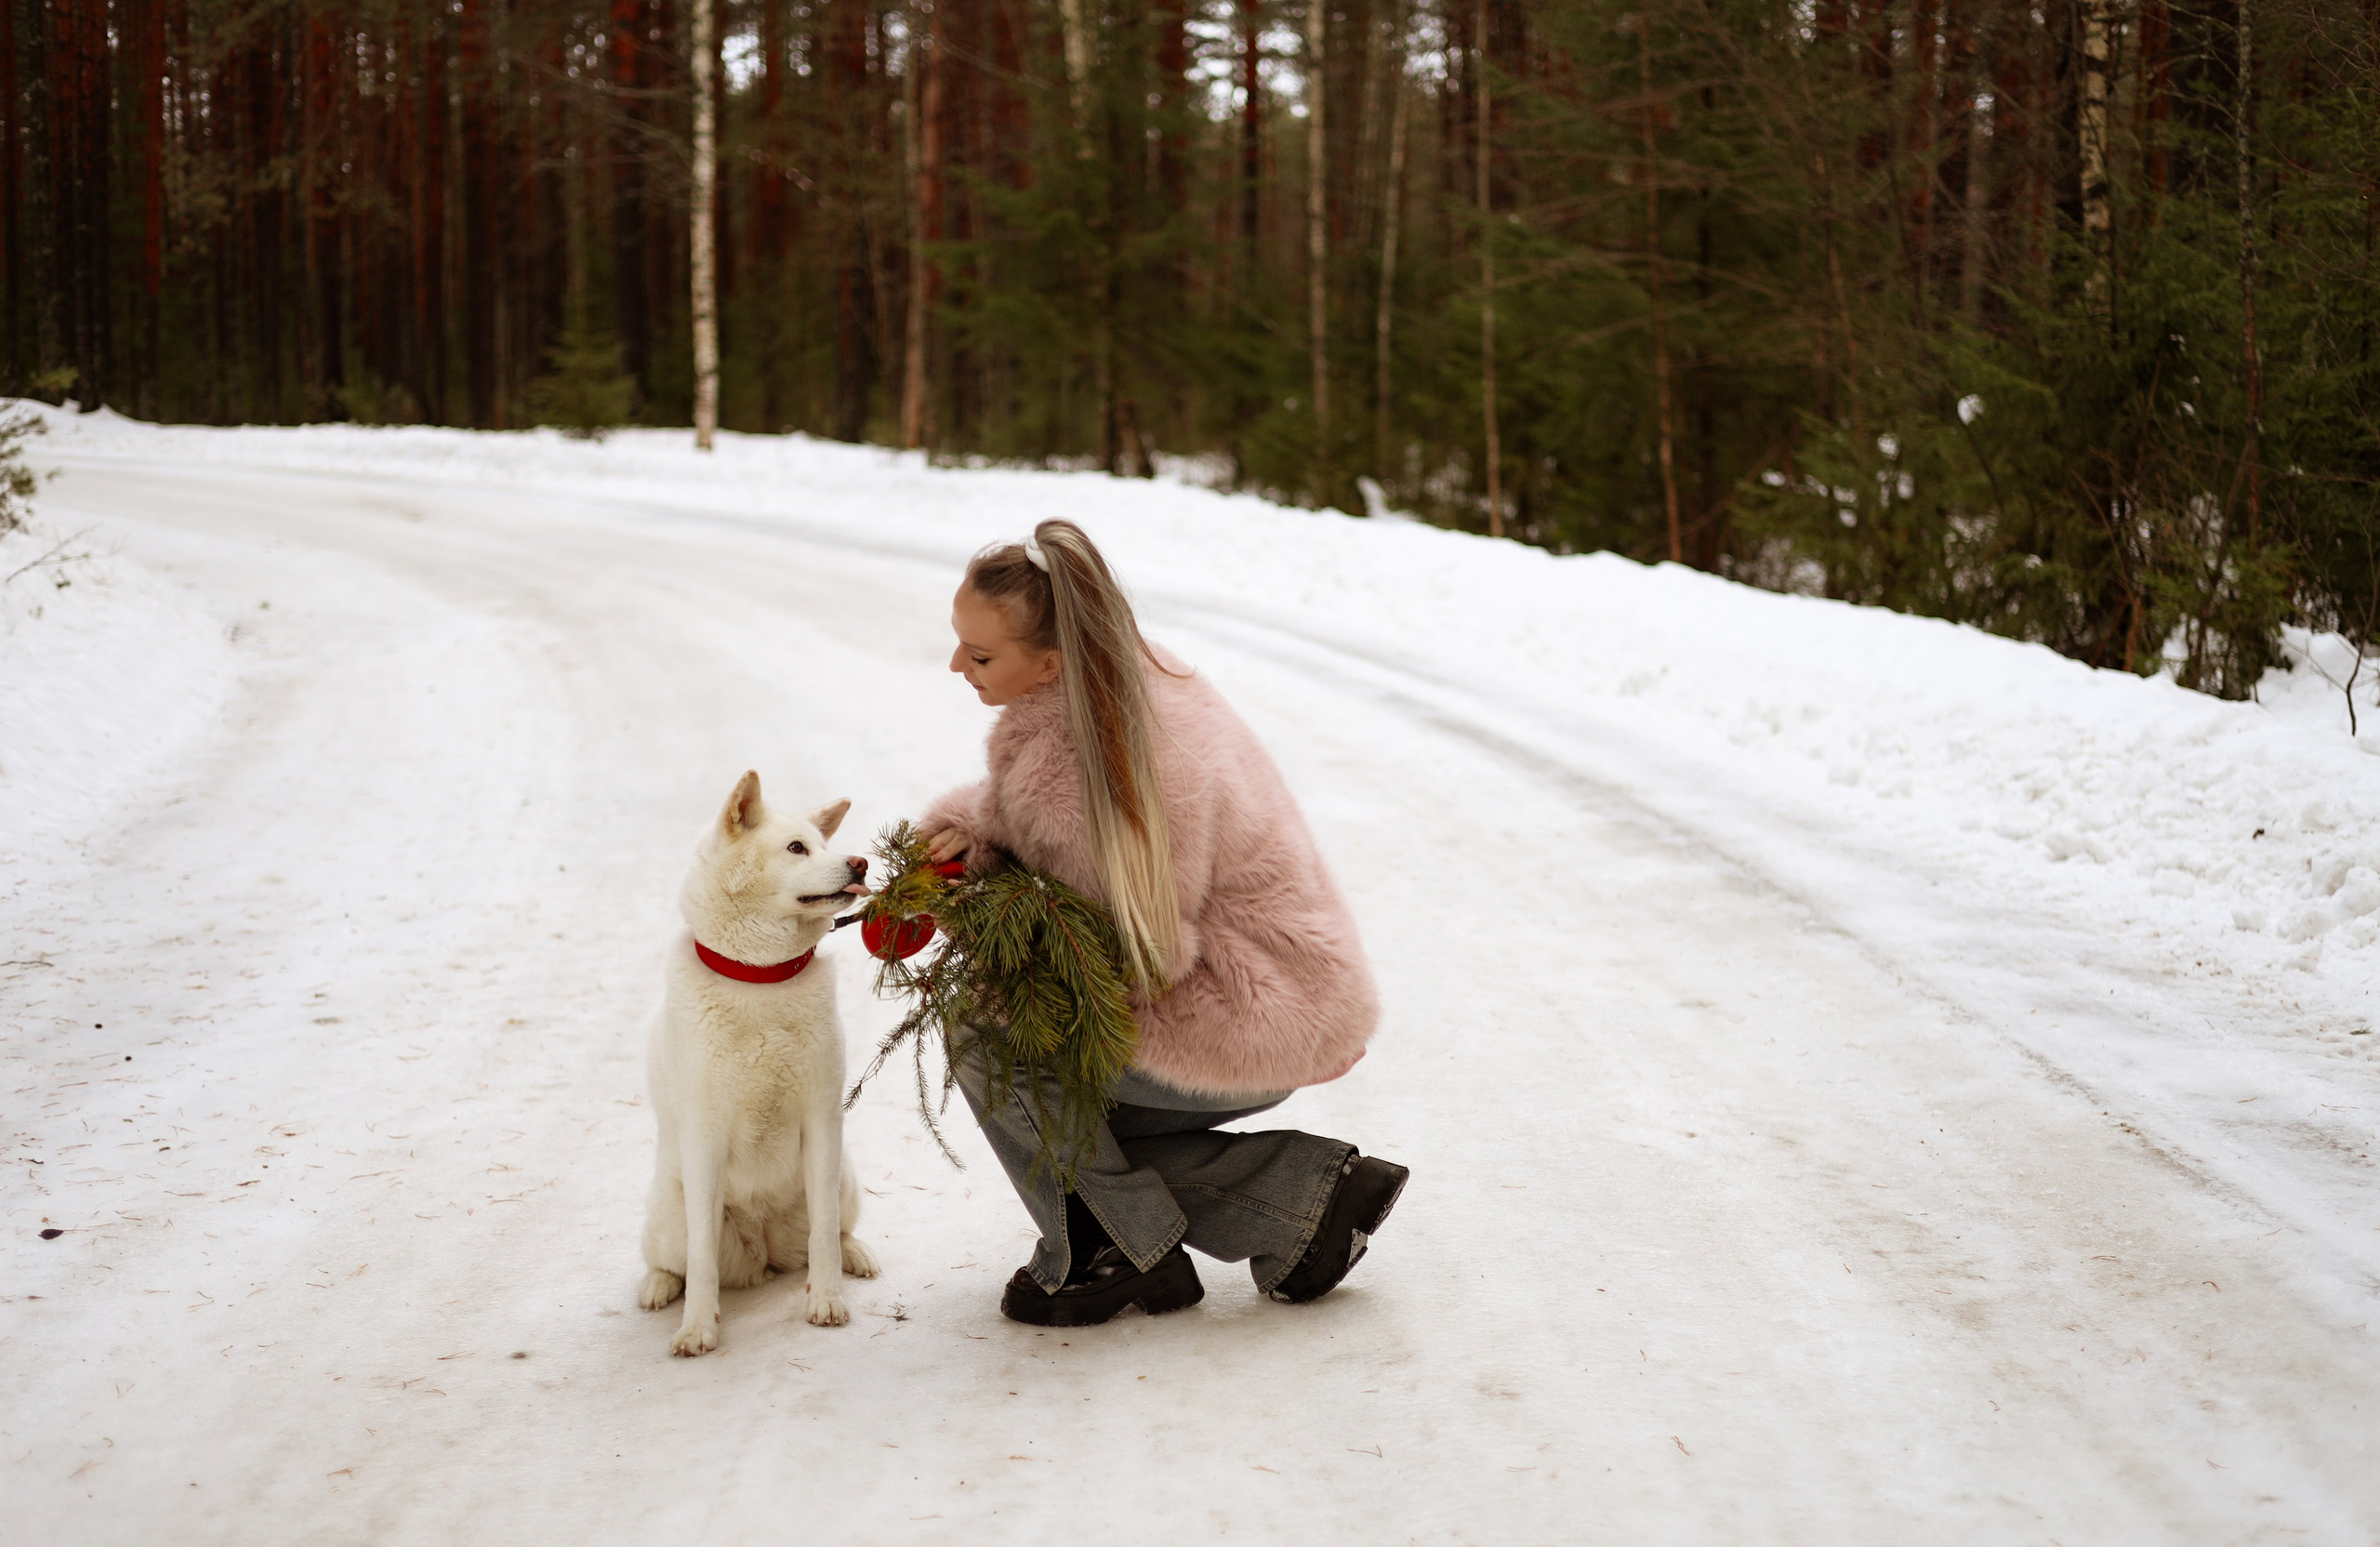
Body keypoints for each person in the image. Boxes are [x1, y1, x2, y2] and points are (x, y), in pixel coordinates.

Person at [920, 518, 1408, 1328]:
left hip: (1245, 1007)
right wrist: (967, 836)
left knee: (987, 1030)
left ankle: (1107, 1247)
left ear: (1051, 660)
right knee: (1074, 1136)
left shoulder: (1084, 767)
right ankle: (1302, 1201)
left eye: (979, 657)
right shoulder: (1126, 681)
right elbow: (1057, 843)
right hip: (1290, 989)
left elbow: (1120, 957)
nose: (957, 667)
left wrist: (979, 920)